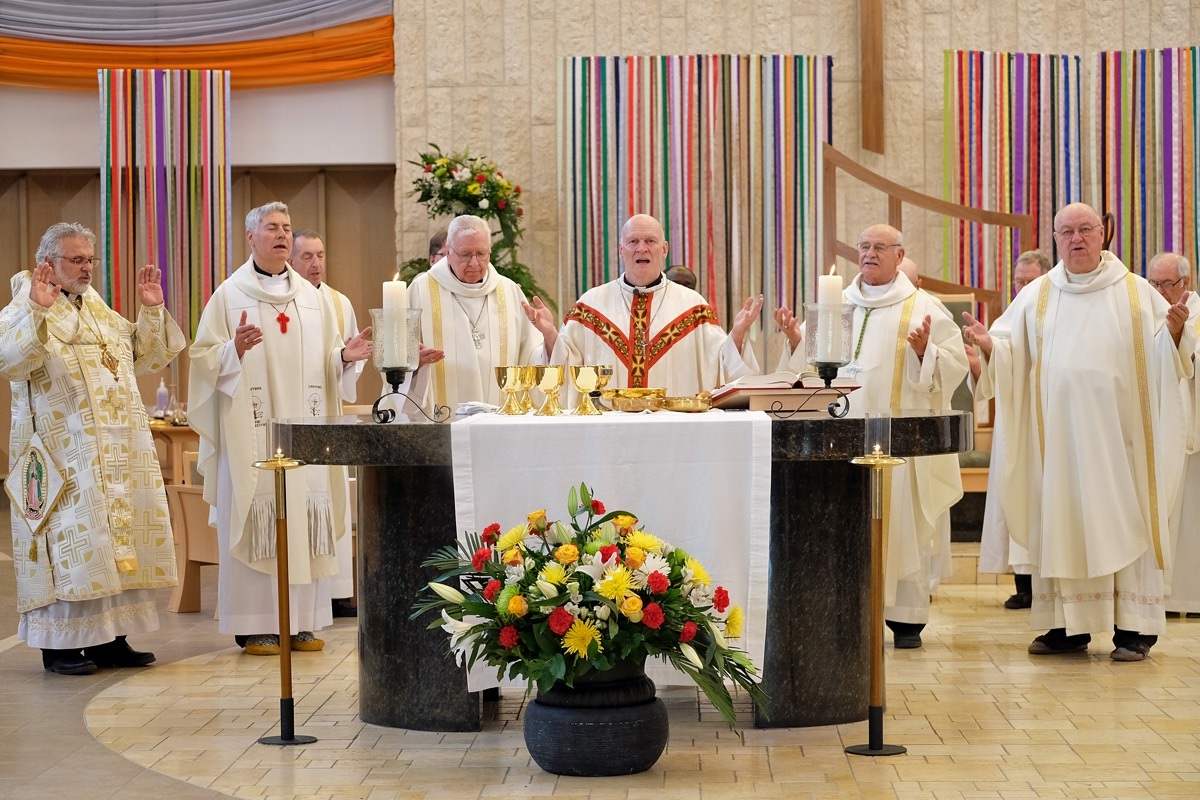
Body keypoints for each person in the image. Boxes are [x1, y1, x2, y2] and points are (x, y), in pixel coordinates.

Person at [963, 203, 1193, 662]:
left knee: (1127, 522)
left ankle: (1134, 629)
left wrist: (1173, 336)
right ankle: (1068, 627)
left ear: (1102, 233)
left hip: (1122, 444)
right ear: (1055, 238)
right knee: (1064, 522)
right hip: (1060, 445)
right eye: (1066, 232)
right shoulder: (1037, 294)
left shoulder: (1136, 292)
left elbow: (1168, 359)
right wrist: (990, 349)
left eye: (1085, 229)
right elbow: (1009, 351)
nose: (1076, 239)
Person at [0, 222, 185, 675]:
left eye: (90, 260)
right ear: (48, 263)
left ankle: (110, 640)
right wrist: (38, 313)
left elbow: (146, 356)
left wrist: (152, 311)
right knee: (73, 547)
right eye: (76, 260)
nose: (87, 268)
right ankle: (60, 647)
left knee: (112, 543)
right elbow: (10, 360)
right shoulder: (24, 304)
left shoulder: (98, 310)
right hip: (63, 456)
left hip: (116, 454)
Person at [189, 202, 373, 656]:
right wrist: (232, 350)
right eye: (272, 228)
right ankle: (256, 625)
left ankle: (302, 622)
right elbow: (203, 359)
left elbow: (328, 361)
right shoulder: (228, 296)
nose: (282, 235)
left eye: (287, 228)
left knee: (305, 515)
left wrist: (344, 358)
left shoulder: (313, 299)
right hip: (252, 434)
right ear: (250, 237)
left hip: (304, 435)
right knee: (258, 513)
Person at [775, 224, 969, 649]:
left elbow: (953, 367)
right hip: (840, 437)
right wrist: (796, 340)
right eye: (864, 246)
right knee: (846, 522)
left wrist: (925, 353)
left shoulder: (924, 308)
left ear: (899, 256)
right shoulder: (835, 304)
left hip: (898, 440)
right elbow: (806, 371)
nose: (869, 253)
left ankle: (906, 620)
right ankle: (849, 611)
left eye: (880, 247)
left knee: (904, 520)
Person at [553, 213, 763, 394]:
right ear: (621, 250)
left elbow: (718, 365)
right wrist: (549, 336)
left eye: (650, 241)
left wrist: (737, 335)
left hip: (673, 423)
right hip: (610, 424)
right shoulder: (590, 306)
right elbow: (565, 364)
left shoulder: (693, 306)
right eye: (633, 241)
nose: (641, 248)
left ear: (664, 250)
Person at [965, 250, 1052, 611]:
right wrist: (985, 354)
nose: (1024, 287)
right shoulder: (1012, 314)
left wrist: (993, 350)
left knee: (1044, 499)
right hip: (1014, 425)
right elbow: (998, 362)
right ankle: (1023, 585)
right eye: (1019, 281)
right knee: (1014, 496)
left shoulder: (1057, 308)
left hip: (1048, 425)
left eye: (1031, 281)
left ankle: (1047, 584)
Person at [407, 214, 557, 415]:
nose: (475, 263)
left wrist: (549, 336)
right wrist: (414, 362)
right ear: (448, 252)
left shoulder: (509, 291)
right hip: (442, 421)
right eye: (465, 254)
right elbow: (398, 359)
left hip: (501, 422)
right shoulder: (421, 290)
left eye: (481, 253)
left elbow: (532, 359)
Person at [292, 229, 360, 619]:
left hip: (325, 415)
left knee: (328, 496)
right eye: (307, 256)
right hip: (292, 419)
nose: (316, 263)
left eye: (320, 255)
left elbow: (344, 364)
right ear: (291, 260)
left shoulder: (338, 302)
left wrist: (347, 358)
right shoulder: (279, 301)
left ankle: (334, 593)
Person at [1146, 251, 1200, 617]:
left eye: (1168, 283)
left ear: (1186, 282)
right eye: (1154, 283)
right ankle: (1161, 597)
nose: (1160, 291)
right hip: (1156, 429)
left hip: (1192, 431)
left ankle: (1192, 598)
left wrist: (1183, 344)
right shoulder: (1144, 315)